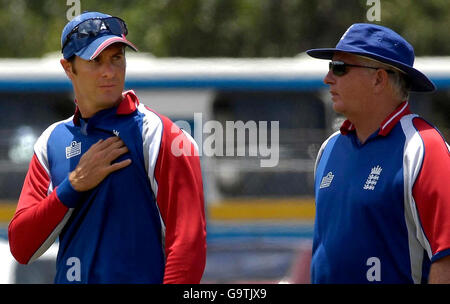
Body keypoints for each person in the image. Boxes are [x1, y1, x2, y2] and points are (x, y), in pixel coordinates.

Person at [8, 11, 206, 284]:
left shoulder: (161, 135)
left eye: (117, 58)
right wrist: (73, 185)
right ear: (68, 68)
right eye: (95, 60)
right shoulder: (51, 141)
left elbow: (187, 245)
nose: (109, 72)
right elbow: (21, 246)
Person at [307, 23, 450, 283]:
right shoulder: (329, 149)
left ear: (378, 79)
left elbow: (447, 258)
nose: (328, 78)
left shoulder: (423, 148)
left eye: (339, 67)